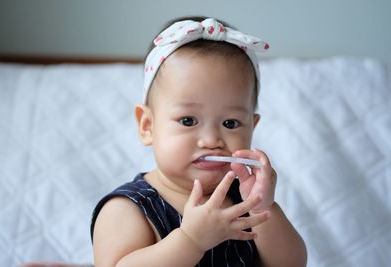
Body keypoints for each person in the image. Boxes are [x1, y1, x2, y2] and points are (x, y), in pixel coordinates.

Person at [91, 16, 307, 267]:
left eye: (230, 123)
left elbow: (291, 264)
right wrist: (191, 241)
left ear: (252, 127)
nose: (211, 140)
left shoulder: (243, 202)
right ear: (147, 126)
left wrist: (264, 208)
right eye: (188, 120)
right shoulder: (127, 209)